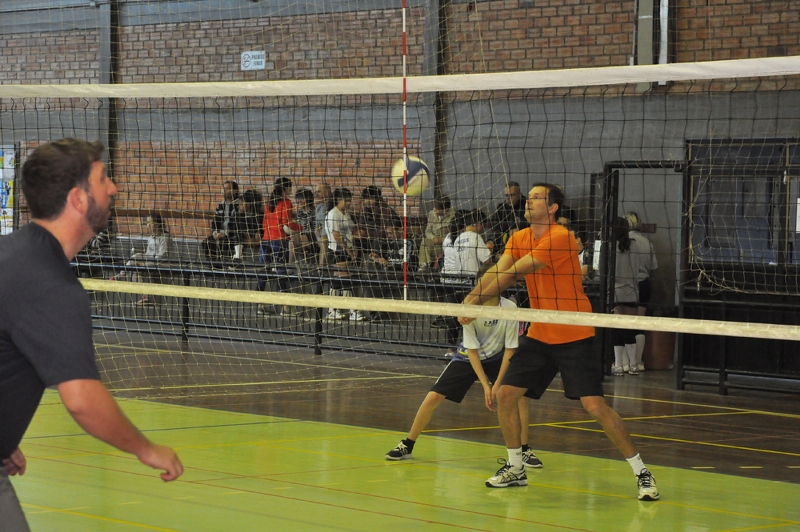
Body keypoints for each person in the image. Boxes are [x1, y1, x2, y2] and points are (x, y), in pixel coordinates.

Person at [0, 139, 183, 531]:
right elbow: (82, 400)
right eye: (103, 179)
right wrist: (146, 448)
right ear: (78, 199)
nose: (114, 188)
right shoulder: (51, 286)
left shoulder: (11, 253)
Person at [459, 183, 658, 501]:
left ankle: (642, 472)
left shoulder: (560, 237)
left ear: (552, 208)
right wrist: (469, 301)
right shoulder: (519, 237)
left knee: (595, 407)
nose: (529, 201)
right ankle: (516, 468)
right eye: (529, 197)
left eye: (537, 197)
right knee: (505, 395)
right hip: (540, 333)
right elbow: (499, 269)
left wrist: (471, 302)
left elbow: (513, 273)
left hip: (573, 333)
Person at [385, 295, 542, 470]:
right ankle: (407, 444)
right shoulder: (468, 307)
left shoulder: (510, 307)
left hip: (498, 356)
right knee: (434, 396)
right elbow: (472, 351)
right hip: (468, 357)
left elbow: (510, 349)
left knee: (520, 398)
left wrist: (497, 384)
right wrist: (486, 385)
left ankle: (524, 450)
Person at [437, 210, 492, 357]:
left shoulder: (450, 237)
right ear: (477, 223)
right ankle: (470, 348)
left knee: (454, 317)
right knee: (469, 317)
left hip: (449, 281)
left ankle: (451, 349)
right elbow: (487, 260)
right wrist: (490, 248)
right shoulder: (473, 237)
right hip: (467, 283)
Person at [612, 216, 656, 375]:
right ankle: (634, 365)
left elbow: (604, 271)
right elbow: (645, 268)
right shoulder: (636, 245)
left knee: (618, 328)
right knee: (632, 327)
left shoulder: (609, 247)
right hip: (633, 290)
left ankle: (619, 365)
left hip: (616, 292)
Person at [110, 212, 171, 306]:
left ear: (158, 224)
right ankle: (145, 297)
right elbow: (147, 254)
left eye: (150, 222)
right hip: (150, 262)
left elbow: (162, 256)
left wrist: (144, 263)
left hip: (162, 263)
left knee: (137, 259)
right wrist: (143, 262)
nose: (148, 225)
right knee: (135, 270)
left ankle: (120, 276)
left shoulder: (164, 238)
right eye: (147, 223)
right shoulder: (151, 238)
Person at [258, 177, 297, 314]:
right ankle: (285, 307)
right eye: (290, 187)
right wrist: (300, 227)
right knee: (281, 271)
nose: (291, 190)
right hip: (279, 240)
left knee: (264, 271)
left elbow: (264, 224)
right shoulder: (287, 203)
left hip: (265, 240)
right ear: (285, 189)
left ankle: (260, 305)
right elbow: (287, 223)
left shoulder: (269, 203)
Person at [325, 187, 364, 321]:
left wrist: (355, 243)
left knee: (342, 280)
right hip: (337, 251)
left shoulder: (345, 213)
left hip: (347, 249)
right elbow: (336, 235)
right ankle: (348, 311)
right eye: (346, 201)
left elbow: (350, 231)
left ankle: (335, 310)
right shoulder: (333, 214)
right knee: (344, 280)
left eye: (349, 200)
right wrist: (348, 250)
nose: (349, 203)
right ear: (338, 200)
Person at [626, 211, 658, 372]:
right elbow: (653, 267)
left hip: (629, 284)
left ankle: (627, 362)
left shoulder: (625, 242)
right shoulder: (647, 242)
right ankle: (638, 362)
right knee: (640, 321)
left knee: (626, 322)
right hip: (644, 283)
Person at [355, 185, 400, 255]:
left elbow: (383, 233)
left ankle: (375, 261)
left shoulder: (385, 210)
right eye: (366, 198)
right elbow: (360, 226)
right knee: (354, 240)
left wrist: (365, 233)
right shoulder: (365, 209)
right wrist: (360, 233)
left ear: (378, 198)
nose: (367, 201)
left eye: (371, 198)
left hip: (387, 239)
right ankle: (354, 261)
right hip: (371, 237)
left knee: (377, 242)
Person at [202, 180, 240, 260]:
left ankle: (226, 264)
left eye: (227, 189)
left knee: (225, 243)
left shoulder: (239, 205)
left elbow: (237, 223)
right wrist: (215, 232)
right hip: (220, 233)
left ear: (235, 191)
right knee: (207, 242)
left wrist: (225, 233)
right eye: (224, 188)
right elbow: (215, 221)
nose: (224, 191)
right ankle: (212, 264)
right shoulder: (220, 205)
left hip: (233, 234)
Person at [488, 181, 526, 256]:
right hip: (503, 244)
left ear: (519, 193)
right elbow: (495, 226)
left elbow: (527, 224)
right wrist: (490, 240)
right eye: (506, 195)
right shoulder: (501, 207)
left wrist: (517, 228)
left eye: (512, 195)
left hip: (522, 244)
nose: (509, 199)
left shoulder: (527, 205)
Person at [417, 196, 455, 272]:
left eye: (437, 209)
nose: (434, 210)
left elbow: (454, 235)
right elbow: (427, 231)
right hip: (434, 242)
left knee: (428, 249)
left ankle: (430, 267)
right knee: (424, 241)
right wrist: (433, 238)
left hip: (445, 246)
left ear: (445, 209)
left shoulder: (453, 216)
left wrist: (442, 240)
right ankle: (424, 265)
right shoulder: (432, 214)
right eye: (434, 207)